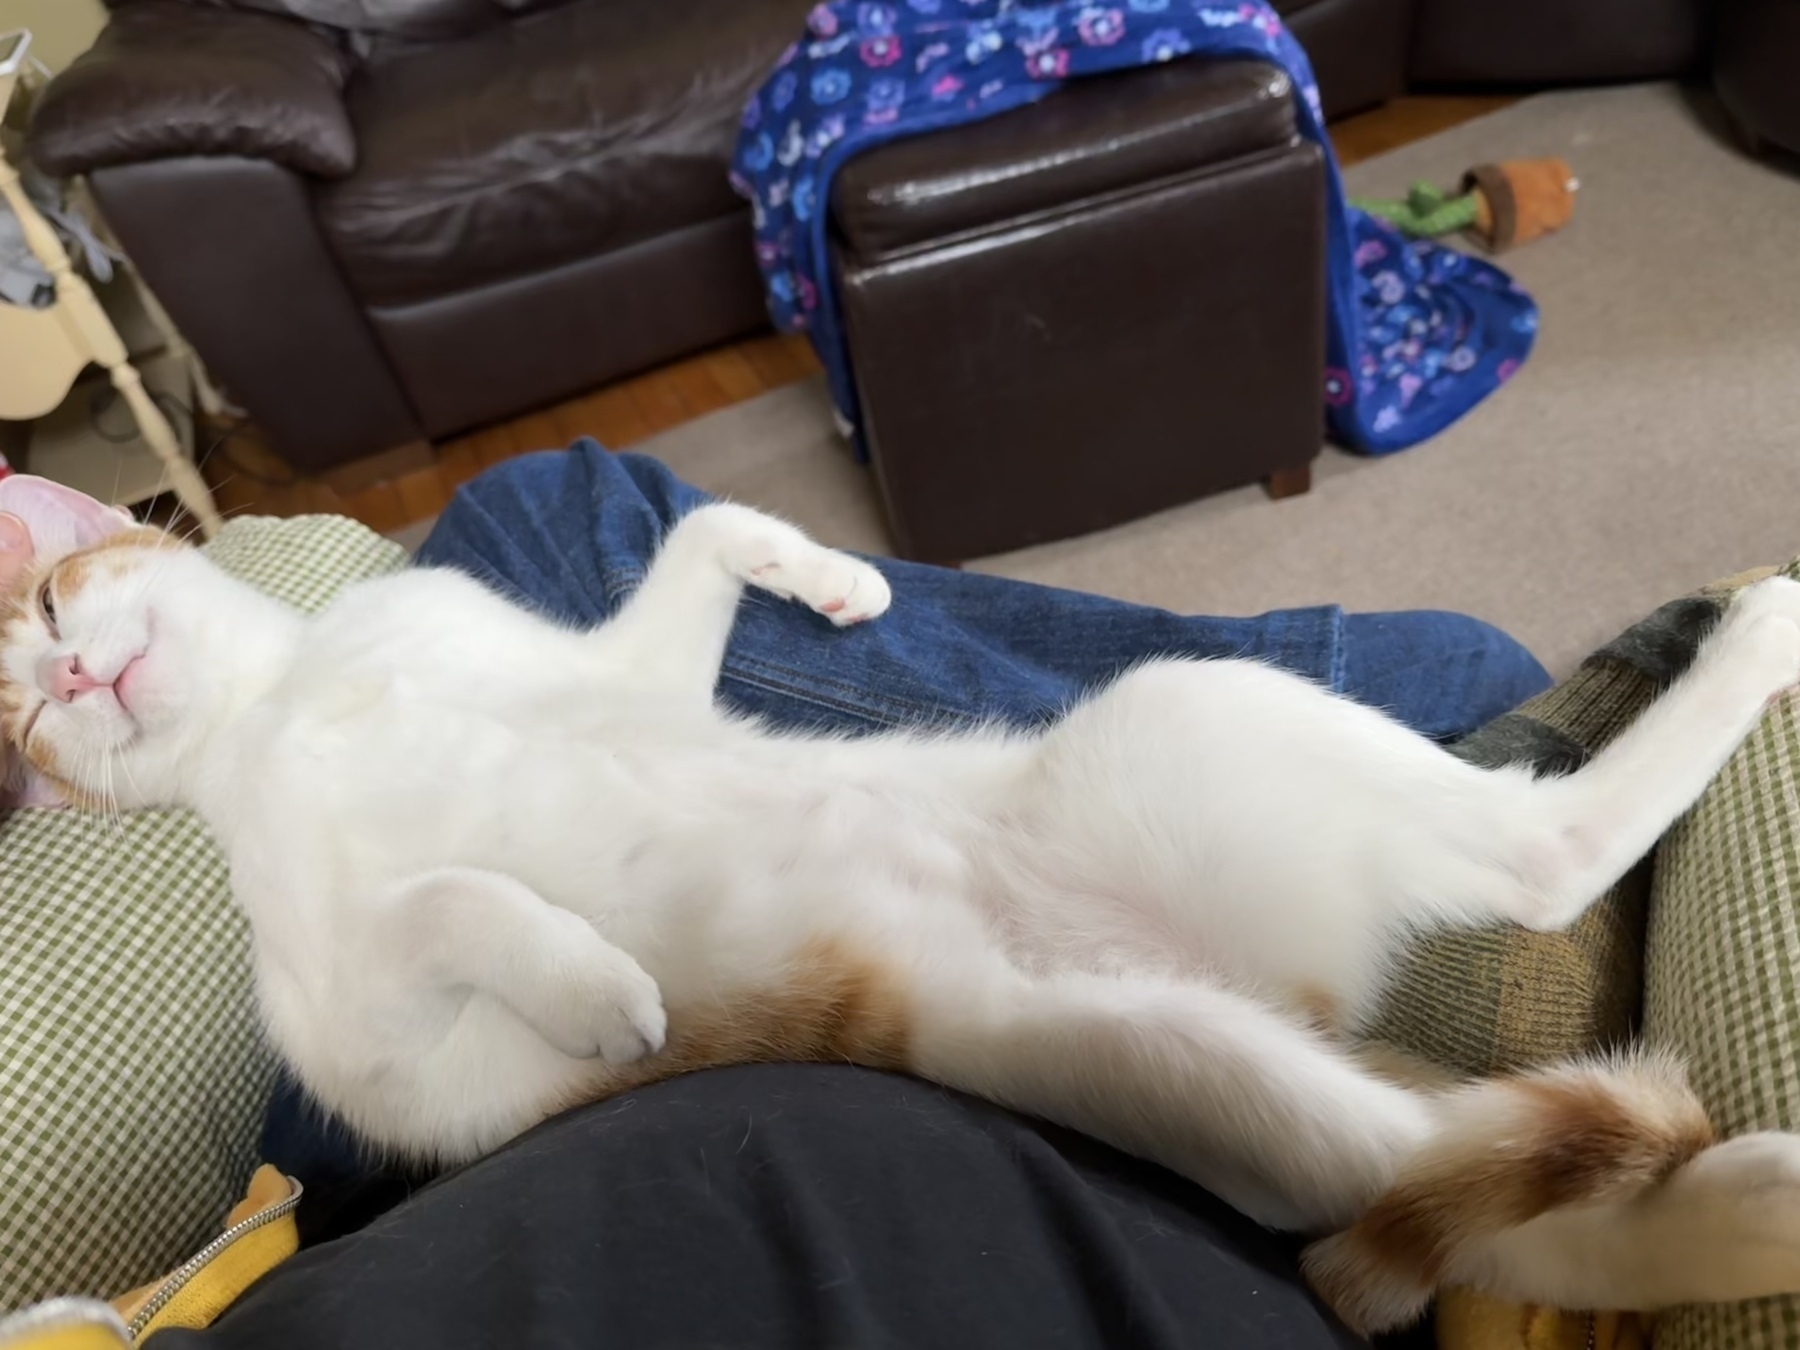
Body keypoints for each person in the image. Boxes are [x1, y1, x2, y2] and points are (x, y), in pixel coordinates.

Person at [238, 443, 1549, 1349]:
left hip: (373, 1168)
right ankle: (1399, 769)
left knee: (525, 536)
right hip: (704, 1106)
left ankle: (1369, 774)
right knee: (547, 520)